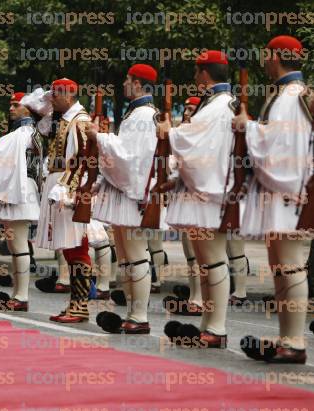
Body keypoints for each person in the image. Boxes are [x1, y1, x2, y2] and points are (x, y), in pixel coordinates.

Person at [235, 35, 312, 364]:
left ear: (277, 56)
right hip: (285, 191)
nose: (263, 59)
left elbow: (279, 147)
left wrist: (248, 127)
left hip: (288, 192)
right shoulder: (286, 95)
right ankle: (287, 337)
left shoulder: (290, 97)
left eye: (267, 54)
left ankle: (294, 342)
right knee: (283, 266)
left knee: (290, 265)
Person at [159, 50, 235, 348]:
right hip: (205, 189)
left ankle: (216, 328)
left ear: (205, 73)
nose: (193, 77)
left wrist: (170, 133)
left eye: (195, 71)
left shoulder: (218, 107)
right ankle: (209, 324)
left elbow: (195, 143)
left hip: (210, 192)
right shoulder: (216, 105)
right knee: (207, 260)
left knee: (213, 260)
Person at [87, 64, 159, 334]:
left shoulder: (143, 116)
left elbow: (130, 158)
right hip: (127, 193)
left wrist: (100, 137)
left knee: (136, 254)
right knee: (128, 257)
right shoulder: (137, 114)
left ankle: (139, 315)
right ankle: (132, 311)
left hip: (133, 194)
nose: (125, 84)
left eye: (128, 80)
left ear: (139, 83)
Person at [0, 92, 42, 311]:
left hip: (20, 193)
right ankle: (18, 293)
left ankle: (21, 296)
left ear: (28, 109)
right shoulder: (26, 132)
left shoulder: (21, 134)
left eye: (16, 105)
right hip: (22, 191)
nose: (11, 108)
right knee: (16, 245)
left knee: (19, 246)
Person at [34, 78, 93, 323]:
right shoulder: (65, 119)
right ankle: (76, 303)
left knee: (76, 245)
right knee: (69, 246)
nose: (52, 99)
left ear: (69, 95)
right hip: (59, 181)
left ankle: (80, 304)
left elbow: (81, 159)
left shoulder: (80, 121)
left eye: (56, 95)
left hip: (68, 186)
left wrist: (68, 189)